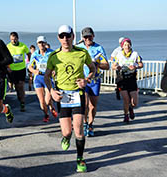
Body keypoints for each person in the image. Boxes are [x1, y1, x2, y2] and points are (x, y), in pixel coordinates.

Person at [44, 25, 95, 173]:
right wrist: (52, 91)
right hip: (62, 96)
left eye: (68, 35)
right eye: (62, 36)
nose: (65, 39)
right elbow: (47, 76)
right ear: (58, 38)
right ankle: (66, 137)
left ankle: (80, 159)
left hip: (78, 94)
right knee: (67, 132)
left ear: (73, 36)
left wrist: (86, 80)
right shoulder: (54, 56)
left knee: (78, 130)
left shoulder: (82, 53)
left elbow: (93, 69)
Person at [77, 27, 109, 137]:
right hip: (83, 80)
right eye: (85, 37)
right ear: (82, 37)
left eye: (89, 36)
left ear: (93, 36)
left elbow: (107, 66)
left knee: (93, 106)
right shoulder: (78, 48)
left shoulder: (99, 48)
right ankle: (85, 123)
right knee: (84, 104)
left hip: (95, 80)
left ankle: (91, 124)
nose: (87, 38)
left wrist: (97, 64)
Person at [111, 37, 143, 123]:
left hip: (132, 79)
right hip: (122, 79)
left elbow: (141, 64)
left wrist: (135, 66)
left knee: (134, 103)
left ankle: (131, 108)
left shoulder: (135, 54)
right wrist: (117, 67)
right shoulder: (118, 55)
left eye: (128, 44)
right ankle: (126, 115)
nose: (127, 46)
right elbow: (113, 66)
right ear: (122, 46)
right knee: (126, 99)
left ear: (131, 45)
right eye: (125, 45)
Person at [29, 36, 58, 122]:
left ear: (45, 43)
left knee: (48, 100)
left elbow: (57, 64)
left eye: (42, 42)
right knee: (42, 102)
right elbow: (30, 67)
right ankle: (46, 114)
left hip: (48, 77)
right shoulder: (35, 54)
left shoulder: (52, 53)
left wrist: (55, 70)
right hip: (38, 78)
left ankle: (51, 107)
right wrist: (34, 71)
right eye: (39, 43)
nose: (41, 44)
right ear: (37, 44)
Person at [7, 32, 30, 112]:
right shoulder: (8, 47)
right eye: (12, 39)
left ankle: (22, 103)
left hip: (21, 69)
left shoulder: (23, 46)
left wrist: (29, 62)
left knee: (21, 86)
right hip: (12, 70)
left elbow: (28, 53)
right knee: (17, 87)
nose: (13, 41)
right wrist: (8, 67)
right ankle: (19, 97)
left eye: (15, 39)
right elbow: (5, 58)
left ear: (17, 38)